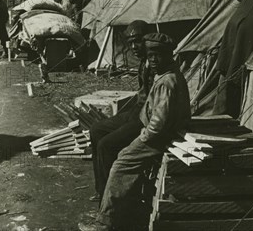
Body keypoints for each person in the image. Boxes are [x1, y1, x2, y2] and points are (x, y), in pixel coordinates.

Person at [80, 33, 190, 231]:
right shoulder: (165, 74)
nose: (153, 60)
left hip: (158, 137)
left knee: (121, 164)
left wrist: (142, 137)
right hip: (158, 132)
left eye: (158, 55)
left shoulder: (167, 81)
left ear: (169, 55)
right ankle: (119, 209)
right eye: (151, 55)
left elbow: (158, 124)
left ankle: (106, 222)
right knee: (115, 149)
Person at [88, 21, 154, 203]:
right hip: (136, 112)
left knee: (106, 145)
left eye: (138, 41)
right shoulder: (144, 62)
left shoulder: (155, 62)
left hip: (145, 119)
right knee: (96, 130)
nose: (134, 47)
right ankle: (101, 189)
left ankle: (112, 198)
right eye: (131, 42)